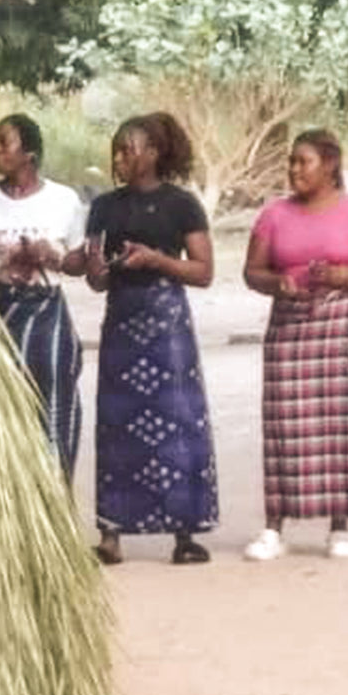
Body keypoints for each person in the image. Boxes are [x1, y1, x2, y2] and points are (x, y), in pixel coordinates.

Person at [242, 127, 348, 560]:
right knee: (284, 428)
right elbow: (252, 272)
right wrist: (279, 281)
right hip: (290, 333)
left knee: (343, 426)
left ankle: (340, 526)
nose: (294, 170)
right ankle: (274, 527)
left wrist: (341, 276)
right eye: (291, 162)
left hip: (346, 335)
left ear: (330, 165)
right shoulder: (274, 215)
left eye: (302, 162)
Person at [85, 112, 218, 566]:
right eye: (116, 151)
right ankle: (111, 534)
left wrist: (157, 260)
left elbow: (203, 272)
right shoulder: (104, 206)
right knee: (116, 426)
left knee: (179, 423)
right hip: (121, 321)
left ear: (154, 154)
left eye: (128, 150)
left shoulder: (181, 205)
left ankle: (185, 533)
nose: (119, 158)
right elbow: (98, 282)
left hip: (167, 325)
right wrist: (95, 267)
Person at [0, 114, 86, 483]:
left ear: (29, 153)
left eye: (5, 142)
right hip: (0, 315)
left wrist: (52, 256)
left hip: (48, 315)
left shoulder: (63, 200)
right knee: (0, 408)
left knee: (54, 405)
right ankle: (12, 506)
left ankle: (55, 500)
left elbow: (78, 264)